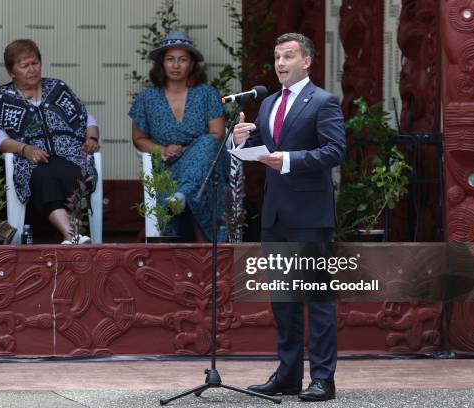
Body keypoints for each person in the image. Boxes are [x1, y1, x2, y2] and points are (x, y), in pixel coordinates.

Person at [232, 33, 346, 401]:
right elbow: (262, 150)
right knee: (284, 300)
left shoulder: (323, 102)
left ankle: (323, 378)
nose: (281, 64)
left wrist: (291, 160)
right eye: (277, 56)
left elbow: (335, 150)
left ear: (307, 61)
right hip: (275, 213)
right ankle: (288, 374)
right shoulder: (267, 105)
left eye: (289, 56)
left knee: (317, 298)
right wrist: (240, 141)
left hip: (310, 214)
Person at [0, 39, 99, 244]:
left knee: (73, 175)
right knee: (45, 177)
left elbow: (87, 119)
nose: (32, 69)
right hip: (31, 160)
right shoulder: (3, 96)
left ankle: (72, 236)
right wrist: (24, 149)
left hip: (71, 155)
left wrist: (91, 138)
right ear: (11, 71)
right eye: (24, 66)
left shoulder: (57, 87)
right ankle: (73, 235)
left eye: (35, 63)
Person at [130, 30, 228, 242]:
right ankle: (182, 199)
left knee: (208, 142)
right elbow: (138, 138)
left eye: (182, 60)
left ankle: (182, 195)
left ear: (191, 64)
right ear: (161, 63)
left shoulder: (207, 93)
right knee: (201, 167)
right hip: (168, 164)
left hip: (205, 163)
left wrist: (187, 151)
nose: (176, 65)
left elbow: (218, 133)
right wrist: (162, 150)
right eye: (170, 59)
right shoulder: (147, 97)